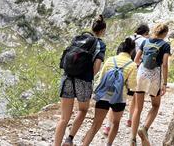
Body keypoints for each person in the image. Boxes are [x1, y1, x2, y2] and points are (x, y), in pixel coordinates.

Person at [54, 16, 107, 146]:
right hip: (83, 80)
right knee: (82, 110)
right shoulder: (100, 44)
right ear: (103, 30)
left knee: (64, 118)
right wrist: (89, 77)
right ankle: (69, 139)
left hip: (67, 77)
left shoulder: (79, 39)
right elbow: (97, 66)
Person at [82, 37, 138, 146]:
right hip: (119, 97)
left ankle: (85, 144)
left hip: (104, 95)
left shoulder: (110, 60)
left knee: (95, 124)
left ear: (120, 49)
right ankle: (108, 144)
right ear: (131, 51)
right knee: (115, 123)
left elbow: (101, 77)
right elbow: (132, 85)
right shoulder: (132, 65)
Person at [102, 23, 150, 136]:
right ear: (146, 33)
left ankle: (108, 126)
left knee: (114, 97)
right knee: (134, 96)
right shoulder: (145, 41)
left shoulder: (128, 38)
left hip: (121, 70)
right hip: (135, 69)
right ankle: (130, 119)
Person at [131, 23, 171, 146]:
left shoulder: (145, 42)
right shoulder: (165, 45)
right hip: (154, 76)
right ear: (165, 33)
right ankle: (144, 128)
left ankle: (132, 139)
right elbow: (164, 64)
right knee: (155, 105)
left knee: (138, 108)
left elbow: (136, 60)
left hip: (142, 74)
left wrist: (143, 63)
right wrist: (165, 83)